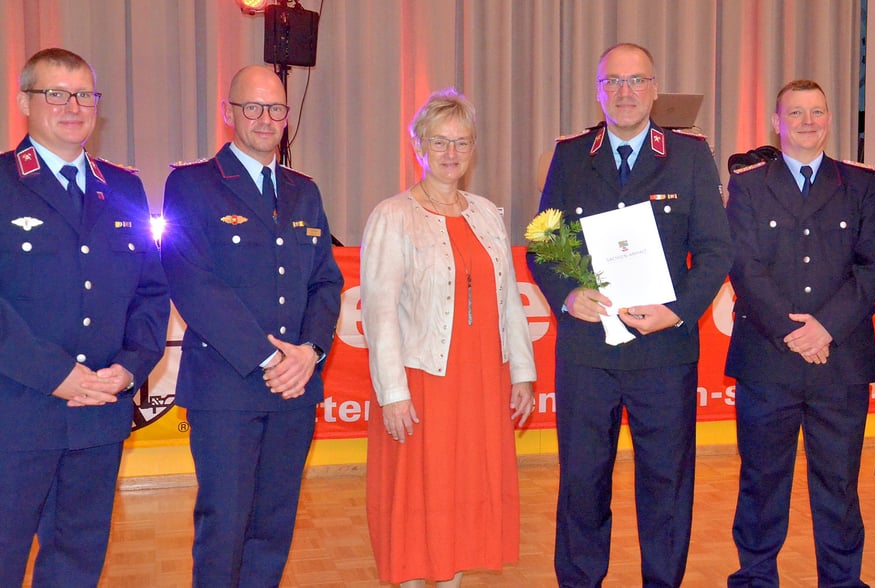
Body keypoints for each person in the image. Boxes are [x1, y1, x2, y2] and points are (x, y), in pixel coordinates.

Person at [528, 43, 733, 586]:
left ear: (655, 90)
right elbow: (543, 240)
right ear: (598, 91)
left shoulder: (689, 155)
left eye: (636, 81)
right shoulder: (571, 155)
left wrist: (678, 311)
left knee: (666, 485)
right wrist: (569, 295)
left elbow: (716, 249)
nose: (624, 92)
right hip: (587, 353)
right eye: (613, 82)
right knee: (582, 482)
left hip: (664, 353)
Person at [160, 65, 343, 586]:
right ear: (228, 113)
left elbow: (325, 283)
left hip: (295, 390)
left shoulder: (303, 190)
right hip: (228, 389)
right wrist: (271, 358)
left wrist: (309, 350)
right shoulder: (193, 184)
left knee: (274, 526)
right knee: (224, 527)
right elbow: (192, 282)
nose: (267, 119)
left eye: (277, 109)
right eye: (253, 108)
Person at [0, 48, 169, 586]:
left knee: (78, 558)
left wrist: (132, 366)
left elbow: (150, 289)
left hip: (100, 409)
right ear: (25, 100)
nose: (73, 106)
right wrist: (55, 376)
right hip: (18, 411)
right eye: (56, 93)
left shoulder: (122, 186)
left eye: (84, 95)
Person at [361, 87, 537, 587]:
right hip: (423, 383)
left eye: (461, 142)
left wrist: (522, 373)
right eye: (439, 142)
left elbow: (508, 300)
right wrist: (392, 392)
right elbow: (379, 314)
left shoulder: (486, 213)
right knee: (419, 500)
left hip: (482, 380)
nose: (451, 153)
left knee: (463, 496)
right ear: (418, 146)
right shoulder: (392, 216)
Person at [725, 79, 875, 587]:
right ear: (777, 121)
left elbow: (873, 264)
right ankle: (755, 578)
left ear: (829, 118)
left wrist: (825, 329)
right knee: (760, 481)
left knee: (839, 483)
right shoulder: (749, 186)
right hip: (768, 358)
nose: (807, 122)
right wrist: (795, 332)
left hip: (839, 360)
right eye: (795, 113)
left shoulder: (861, 184)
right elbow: (744, 266)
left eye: (816, 112)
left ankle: (842, 581)